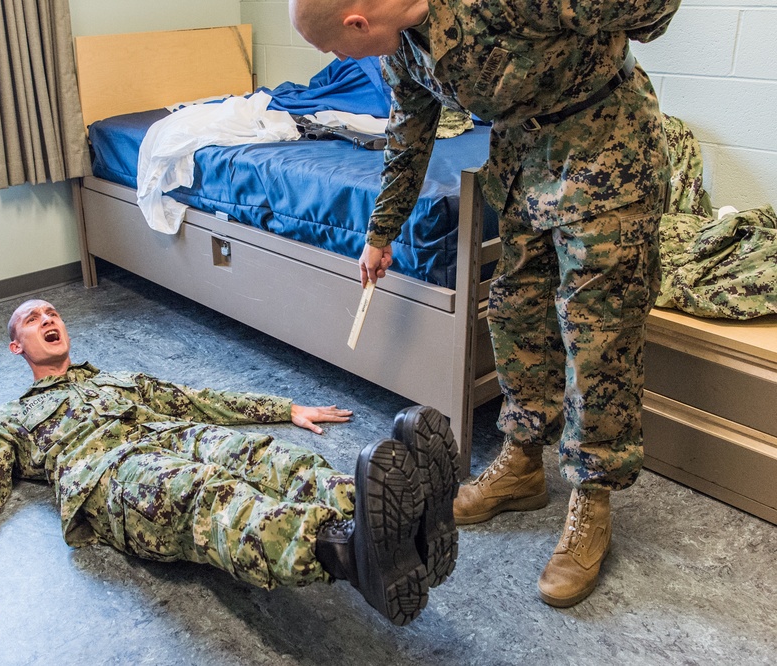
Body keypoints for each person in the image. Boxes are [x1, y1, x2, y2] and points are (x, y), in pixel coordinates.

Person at [290, 0, 679, 607]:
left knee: (599, 338)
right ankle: (523, 462)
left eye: (335, 50)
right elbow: (410, 131)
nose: (341, 61)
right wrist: (381, 233)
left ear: (357, 24)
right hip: (523, 162)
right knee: (513, 311)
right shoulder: (405, 49)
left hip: (606, 149)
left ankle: (592, 498)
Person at [0, 299, 460, 650]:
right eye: (33, 319)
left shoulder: (119, 381)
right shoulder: (12, 419)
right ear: (17, 346)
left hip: (177, 436)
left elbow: (197, 401)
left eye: (53, 313)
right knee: (211, 498)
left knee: (275, 459)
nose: (48, 319)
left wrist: (283, 409)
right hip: (113, 473)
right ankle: (343, 551)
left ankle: (403, 514)